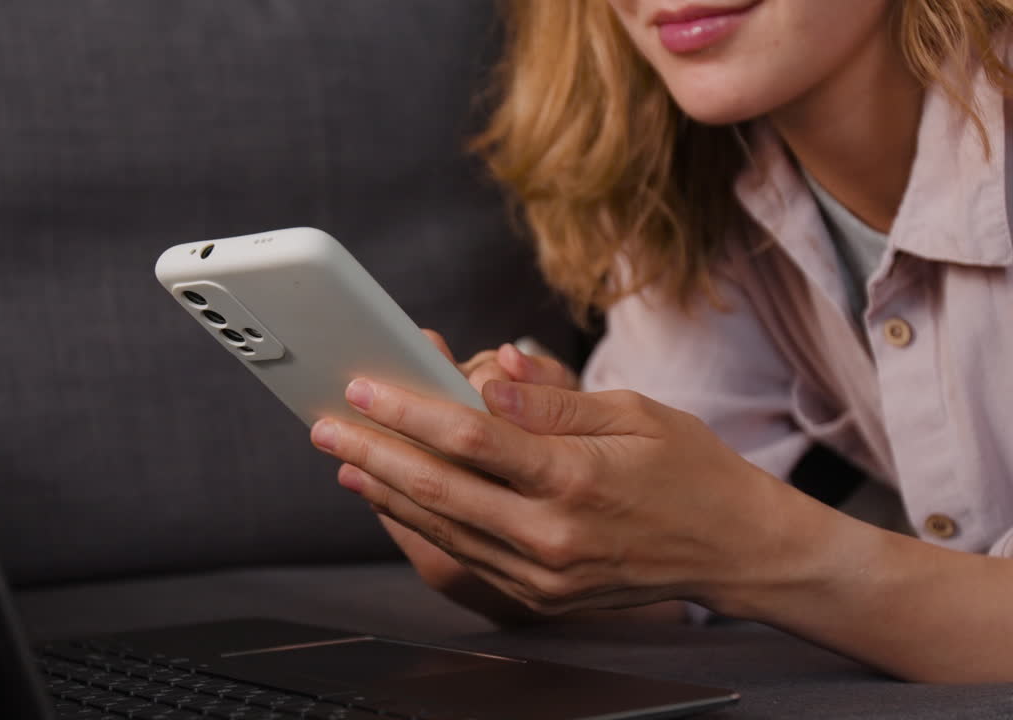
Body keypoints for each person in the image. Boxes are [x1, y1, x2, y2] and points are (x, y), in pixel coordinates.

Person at [308, 0, 1013, 684]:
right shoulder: (694, 178)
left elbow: (726, 549)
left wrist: (758, 549)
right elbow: (669, 560)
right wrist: (516, 524)